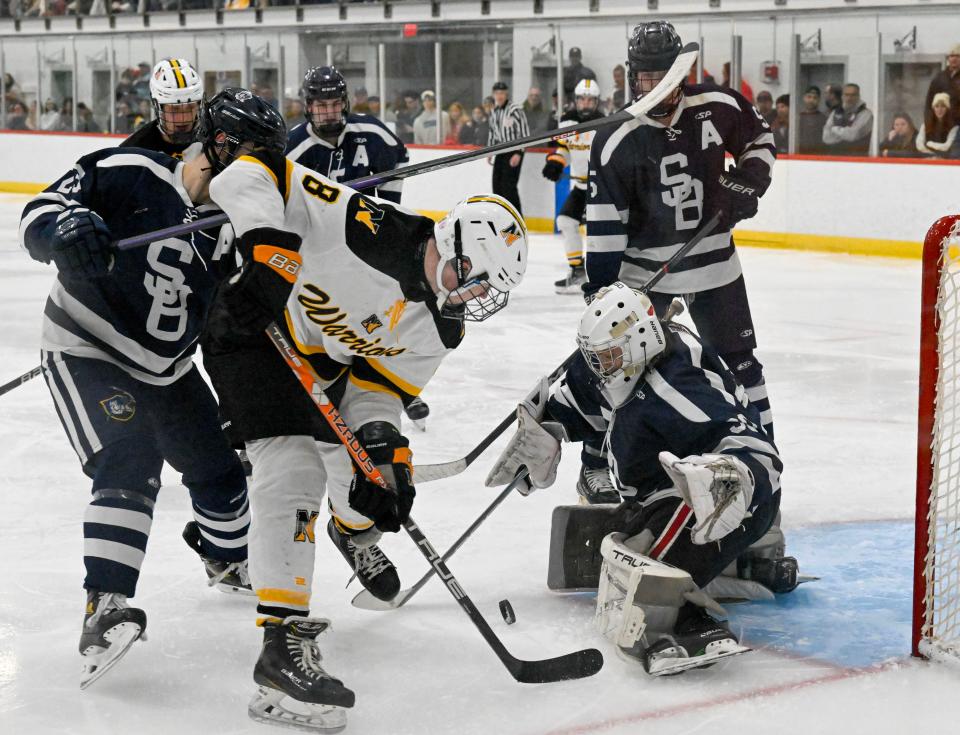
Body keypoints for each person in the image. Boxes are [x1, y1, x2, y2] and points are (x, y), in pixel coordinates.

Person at [202, 139, 528, 726]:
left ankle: (351, 532)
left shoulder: (441, 325)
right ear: (450, 246)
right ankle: (280, 644)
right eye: (474, 281)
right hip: (251, 329)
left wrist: (384, 451)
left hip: (321, 367)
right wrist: (265, 257)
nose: (475, 299)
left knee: (368, 486)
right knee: (291, 469)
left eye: (486, 293)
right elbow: (250, 172)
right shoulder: (363, 227)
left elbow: (379, 387)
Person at [15, 88, 279, 689]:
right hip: (89, 348)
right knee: (130, 458)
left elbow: (228, 327)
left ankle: (223, 556)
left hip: (170, 369)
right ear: (218, 147)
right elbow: (39, 211)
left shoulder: (231, 232)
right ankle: (104, 608)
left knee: (222, 476)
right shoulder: (128, 170)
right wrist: (67, 230)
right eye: (251, 158)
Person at [485, 281, 782, 675]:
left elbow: (760, 452)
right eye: (594, 356)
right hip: (657, 492)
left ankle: (687, 619)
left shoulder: (679, 387)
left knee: (653, 560)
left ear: (639, 343)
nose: (596, 366)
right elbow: (579, 396)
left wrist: (732, 478)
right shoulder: (617, 363)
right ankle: (732, 564)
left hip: (731, 507)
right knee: (644, 536)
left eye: (604, 357)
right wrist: (545, 427)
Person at [585, 19, 777, 449]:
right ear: (633, 76)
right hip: (643, 272)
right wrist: (601, 290)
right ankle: (597, 462)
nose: (654, 87)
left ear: (681, 75)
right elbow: (603, 222)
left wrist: (748, 181)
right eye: (645, 77)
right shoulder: (616, 136)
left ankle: (764, 454)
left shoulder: (718, 104)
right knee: (622, 368)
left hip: (713, 261)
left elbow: (760, 137)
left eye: (664, 78)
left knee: (741, 365)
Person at [286, 66, 408, 205]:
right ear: (309, 107)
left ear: (344, 103)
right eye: (322, 105)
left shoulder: (370, 131)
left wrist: (387, 207)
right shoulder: (294, 145)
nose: (330, 113)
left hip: (361, 221)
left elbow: (399, 154)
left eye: (336, 104)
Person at [542, 78, 605, 296]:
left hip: (601, 187)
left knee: (597, 233)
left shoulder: (604, 123)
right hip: (580, 186)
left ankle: (601, 277)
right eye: (582, 99)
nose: (586, 104)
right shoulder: (566, 123)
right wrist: (556, 162)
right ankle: (578, 270)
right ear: (576, 100)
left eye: (590, 100)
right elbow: (565, 150)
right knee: (565, 221)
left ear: (596, 102)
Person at [121, 58, 203, 159]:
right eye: (174, 109)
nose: (184, 118)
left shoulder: (214, 141)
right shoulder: (133, 152)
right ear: (157, 107)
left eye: (190, 107)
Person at [488, 81, 529, 215]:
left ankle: (517, 219)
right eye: (497, 93)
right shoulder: (494, 111)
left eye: (502, 93)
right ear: (493, 95)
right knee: (497, 187)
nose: (499, 96)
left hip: (513, 151)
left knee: (509, 187)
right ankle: (502, 217)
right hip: (500, 151)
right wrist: (489, 152)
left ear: (507, 94)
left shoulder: (515, 110)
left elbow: (524, 134)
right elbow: (493, 132)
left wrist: (518, 152)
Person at [821, 83, 873, 156]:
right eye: (846, 95)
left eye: (853, 95)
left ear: (858, 96)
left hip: (857, 160)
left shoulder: (866, 114)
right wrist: (844, 132)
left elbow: (853, 135)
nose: (849, 98)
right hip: (835, 159)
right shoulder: (835, 112)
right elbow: (826, 138)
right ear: (842, 96)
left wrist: (834, 129)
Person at [916, 92, 959, 158]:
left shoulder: (954, 127)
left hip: (945, 162)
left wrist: (929, 144)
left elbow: (946, 147)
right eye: (937, 106)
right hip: (928, 160)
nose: (939, 109)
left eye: (943, 106)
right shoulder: (925, 125)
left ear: (947, 109)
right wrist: (933, 155)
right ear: (933, 109)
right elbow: (919, 145)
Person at [925, 44, 960, 122]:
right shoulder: (939, 78)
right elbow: (929, 103)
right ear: (948, 59)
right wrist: (929, 123)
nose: (954, 59)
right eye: (951, 56)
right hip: (942, 124)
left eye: (957, 56)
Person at [797, 85, 826, 154]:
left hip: (818, 155)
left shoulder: (824, 118)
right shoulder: (798, 118)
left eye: (815, 98)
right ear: (804, 98)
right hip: (799, 155)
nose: (811, 100)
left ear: (819, 100)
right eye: (809, 97)